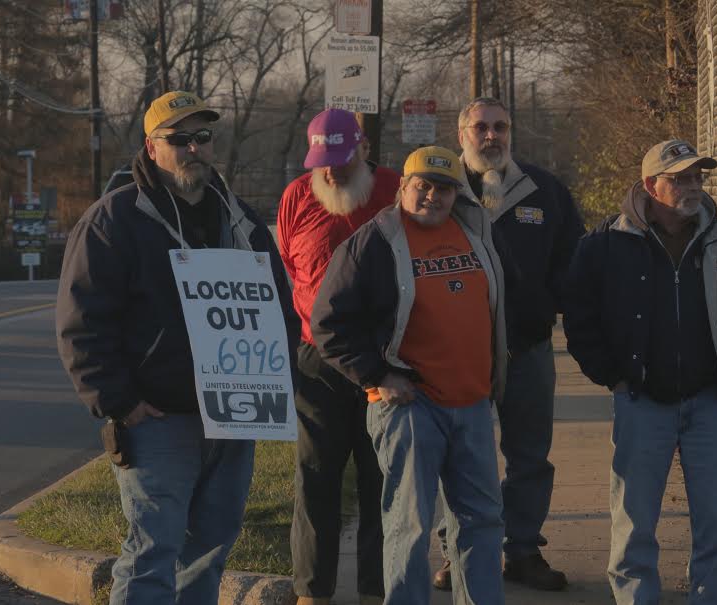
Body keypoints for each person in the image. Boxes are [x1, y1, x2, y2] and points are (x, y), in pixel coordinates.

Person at [55, 90, 300, 605]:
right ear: (151, 146)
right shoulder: (114, 220)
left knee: (211, 549)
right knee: (153, 551)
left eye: (203, 137)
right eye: (179, 139)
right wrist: (118, 401)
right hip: (158, 418)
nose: (194, 149)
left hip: (235, 415)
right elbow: (82, 321)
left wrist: (277, 387)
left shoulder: (242, 221)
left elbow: (278, 307)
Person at [311, 146, 507, 605]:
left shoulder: (475, 231)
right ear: (403, 187)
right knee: (409, 524)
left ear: (457, 194)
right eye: (423, 185)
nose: (432, 196)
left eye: (443, 188)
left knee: (481, 520)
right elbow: (327, 323)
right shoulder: (373, 242)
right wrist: (378, 374)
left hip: (473, 403)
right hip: (411, 406)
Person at [563, 139, 717, 604]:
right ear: (651, 186)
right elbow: (579, 314)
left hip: (710, 400)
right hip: (641, 400)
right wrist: (612, 374)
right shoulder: (604, 244)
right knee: (634, 520)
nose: (693, 186)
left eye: (698, 176)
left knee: (716, 518)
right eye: (681, 178)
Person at [433, 97, 584, 593]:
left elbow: (573, 261)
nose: (491, 136)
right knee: (460, 456)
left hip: (528, 347)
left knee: (529, 456)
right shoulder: (439, 190)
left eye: (500, 127)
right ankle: (460, 552)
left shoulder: (545, 191)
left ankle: (522, 551)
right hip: (458, 352)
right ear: (462, 134)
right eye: (481, 127)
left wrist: (550, 305)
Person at [277, 108, 400, 605]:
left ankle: (377, 590)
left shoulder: (395, 191)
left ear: (364, 150)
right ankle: (312, 592)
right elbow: (287, 264)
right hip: (318, 364)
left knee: (382, 484)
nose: (330, 172)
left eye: (342, 161)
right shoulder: (297, 197)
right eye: (321, 162)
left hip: (384, 362)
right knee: (315, 483)